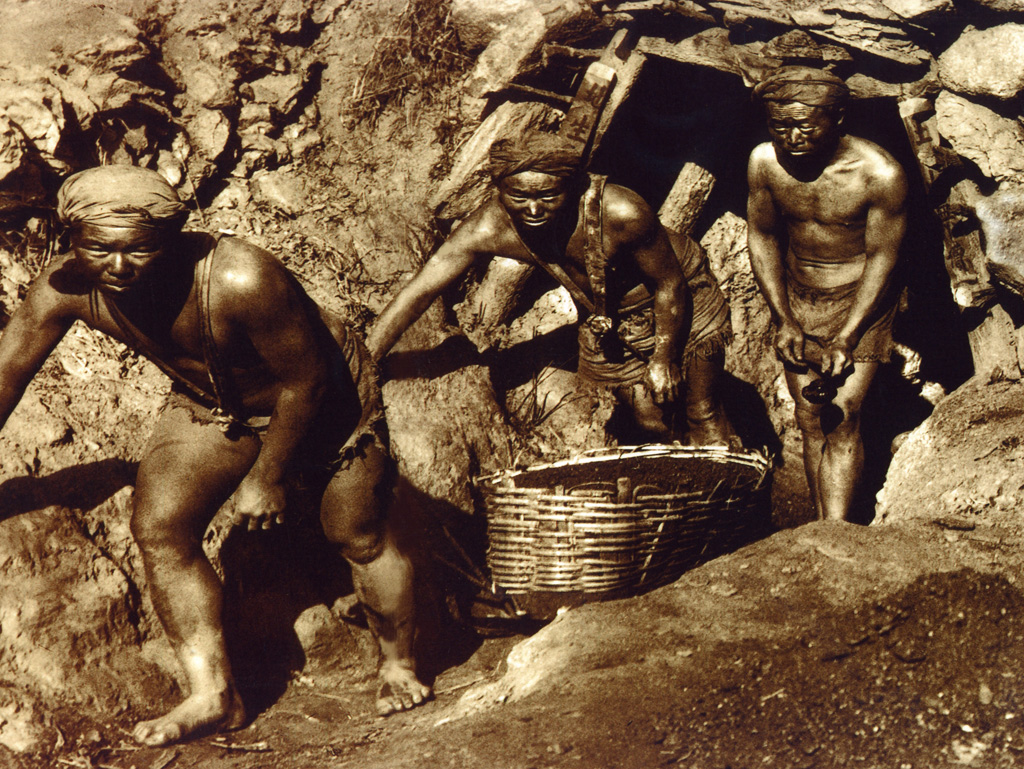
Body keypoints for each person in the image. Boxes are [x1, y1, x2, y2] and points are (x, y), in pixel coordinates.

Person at [0, 166, 431, 746]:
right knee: (160, 526)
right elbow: (7, 373)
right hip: (215, 401)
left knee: (356, 532)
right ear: (71, 238)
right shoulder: (64, 286)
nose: (118, 267)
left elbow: (305, 382)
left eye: (139, 250)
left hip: (325, 397)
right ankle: (214, 696)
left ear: (172, 239)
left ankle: (398, 663)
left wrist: (267, 474)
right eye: (98, 248)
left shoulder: (240, 277)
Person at [367, 132, 736, 446]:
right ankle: (685, 495)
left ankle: (740, 508)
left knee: (701, 410)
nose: (532, 209)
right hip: (605, 320)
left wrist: (663, 358)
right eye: (517, 196)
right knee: (647, 417)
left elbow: (669, 283)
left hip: (678, 299)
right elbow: (420, 289)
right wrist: (367, 359)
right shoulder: (489, 227)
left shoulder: (622, 212)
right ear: (499, 189)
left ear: (571, 186)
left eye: (547, 196)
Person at [746, 66, 908, 521]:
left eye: (803, 125)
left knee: (843, 412)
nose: (791, 136)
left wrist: (849, 335)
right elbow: (762, 236)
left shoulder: (880, 174)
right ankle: (820, 526)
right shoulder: (764, 162)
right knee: (809, 415)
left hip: (861, 298)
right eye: (780, 126)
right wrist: (784, 318)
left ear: (838, 119)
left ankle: (835, 530)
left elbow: (882, 258)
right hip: (798, 297)